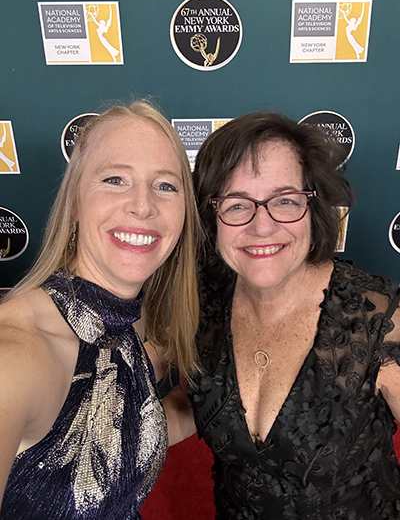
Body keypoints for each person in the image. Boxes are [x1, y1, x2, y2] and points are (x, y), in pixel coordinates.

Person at [189, 111, 400, 519]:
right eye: (237, 205)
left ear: (313, 205)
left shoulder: (376, 318)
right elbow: (196, 400)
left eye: (285, 200)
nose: (262, 226)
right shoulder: (205, 303)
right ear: (211, 216)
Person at [0, 100, 199, 519]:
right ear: (74, 202)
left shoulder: (134, 319)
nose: (142, 205)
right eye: (115, 179)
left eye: (165, 185)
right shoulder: (21, 351)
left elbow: (124, 428)